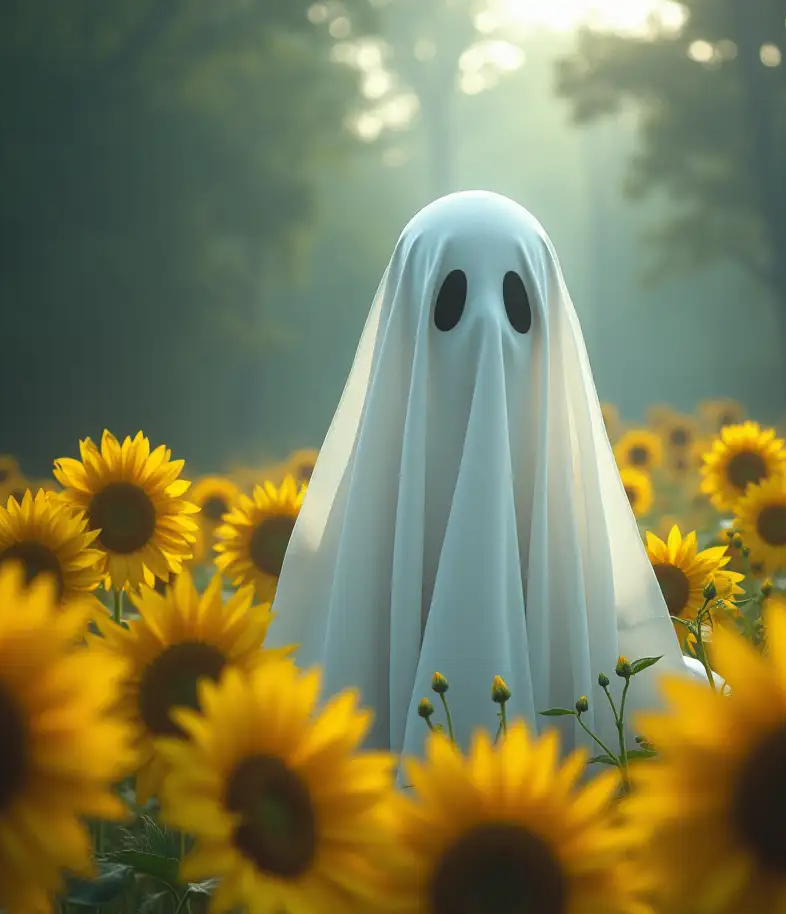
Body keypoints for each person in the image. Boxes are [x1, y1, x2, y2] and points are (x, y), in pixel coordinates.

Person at [266, 191, 709, 769]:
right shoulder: (349, 566)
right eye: (450, 302)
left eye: (517, 304)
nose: (487, 328)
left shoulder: (580, 563)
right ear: (407, 322)